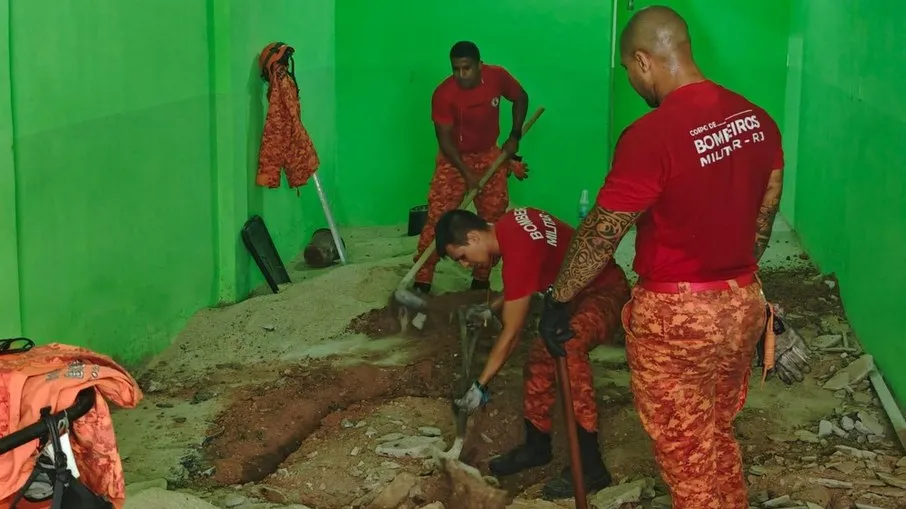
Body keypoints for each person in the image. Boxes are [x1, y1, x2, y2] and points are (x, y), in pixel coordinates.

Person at [536, 6, 809, 509]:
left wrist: (559, 298)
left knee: (686, 460)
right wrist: (731, 281)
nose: (633, 81)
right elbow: (763, 221)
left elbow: (601, 233)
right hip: (743, 303)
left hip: (676, 317)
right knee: (714, 433)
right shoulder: (757, 120)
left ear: (643, 61)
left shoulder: (650, 136)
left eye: (627, 70)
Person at [435, 207, 630, 499]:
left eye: (461, 256)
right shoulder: (513, 223)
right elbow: (524, 278)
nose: (465, 265)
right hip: (569, 295)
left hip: (604, 292)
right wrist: (490, 309)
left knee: (567, 347)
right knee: (541, 358)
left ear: (474, 237)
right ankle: (537, 447)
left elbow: (511, 334)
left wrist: (480, 386)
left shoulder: (517, 247)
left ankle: (591, 467)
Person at [412, 41, 530, 295]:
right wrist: (467, 174)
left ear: (479, 65)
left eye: (466, 68)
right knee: (438, 219)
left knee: (493, 217)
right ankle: (422, 281)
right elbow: (444, 140)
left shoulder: (497, 77)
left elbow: (520, 97)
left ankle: (481, 280)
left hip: (489, 154)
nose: (461, 75)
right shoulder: (443, 94)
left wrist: (514, 136)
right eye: (456, 69)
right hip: (453, 159)